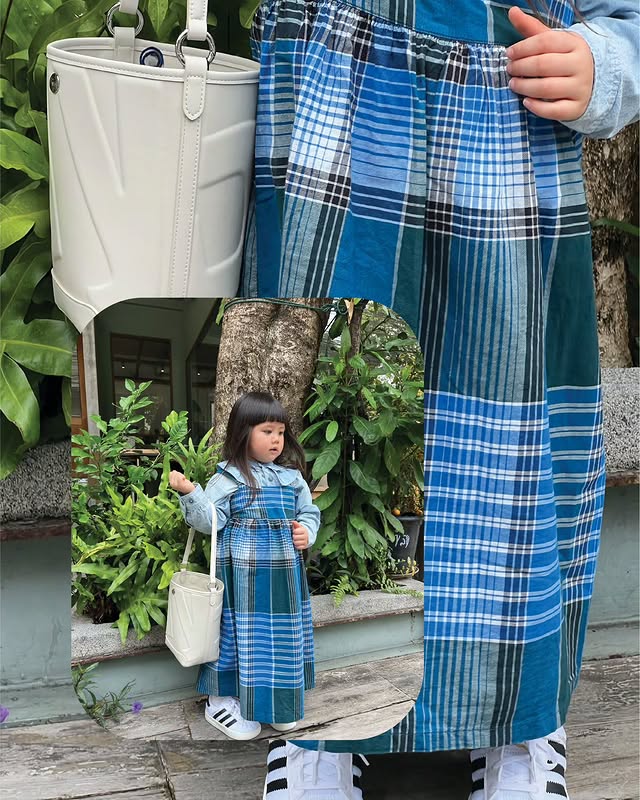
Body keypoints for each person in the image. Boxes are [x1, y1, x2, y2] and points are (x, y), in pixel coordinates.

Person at [241, 0, 639, 795]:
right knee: (317, 416)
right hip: (331, 113)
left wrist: (604, 63)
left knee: (509, 458)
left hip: (511, 130)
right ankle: (314, 723)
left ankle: (524, 721)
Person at [169, 391, 320, 741]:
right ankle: (220, 700)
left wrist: (306, 530)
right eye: (267, 431)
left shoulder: (291, 478)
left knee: (280, 637)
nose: (276, 439)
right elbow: (210, 522)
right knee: (235, 636)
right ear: (243, 432)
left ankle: (277, 702)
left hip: (283, 583)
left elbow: (309, 512)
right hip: (241, 584)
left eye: (280, 432)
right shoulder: (229, 478)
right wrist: (190, 492)